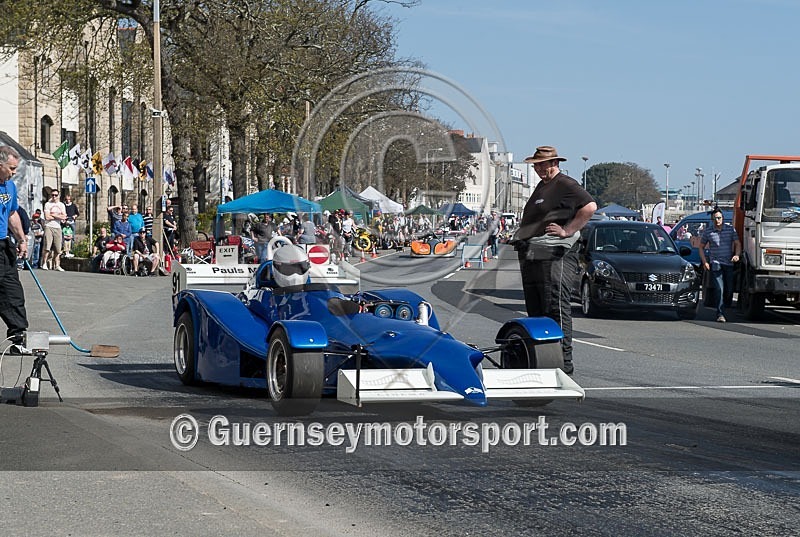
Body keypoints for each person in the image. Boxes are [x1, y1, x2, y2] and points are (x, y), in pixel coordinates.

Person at [514, 146, 597, 375]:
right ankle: (542, 358)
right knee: (537, 307)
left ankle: (564, 362)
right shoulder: (543, 186)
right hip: (535, 252)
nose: (538, 168)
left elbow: (590, 207)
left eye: (541, 164)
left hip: (556, 253)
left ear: (554, 163)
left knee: (556, 305)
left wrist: (567, 230)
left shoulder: (565, 184)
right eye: (536, 165)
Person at [0, 146, 30, 354]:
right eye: (11, 168)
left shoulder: (9, 187)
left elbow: (11, 215)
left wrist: (21, 239)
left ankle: (18, 339)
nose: (14, 172)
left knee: (13, 293)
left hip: (3, 245)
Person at [699, 208, 741, 323]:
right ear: (712, 219)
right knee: (719, 289)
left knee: (729, 289)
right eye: (715, 218)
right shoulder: (708, 232)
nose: (717, 220)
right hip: (715, 263)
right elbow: (701, 247)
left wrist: (737, 255)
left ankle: (725, 305)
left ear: (723, 218)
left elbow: (737, 243)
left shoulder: (730, 230)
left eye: (719, 218)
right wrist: (705, 262)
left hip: (728, 263)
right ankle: (720, 313)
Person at [40, 190, 67, 271]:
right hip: (49, 226)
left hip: (58, 227)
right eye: (52, 195)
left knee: (58, 249)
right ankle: (44, 263)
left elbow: (64, 217)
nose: (54, 197)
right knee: (47, 247)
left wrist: (53, 214)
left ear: (58, 196)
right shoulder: (48, 204)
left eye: (55, 195)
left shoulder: (61, 205)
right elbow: (47, 217)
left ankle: (57, 265)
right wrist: (58, 216)